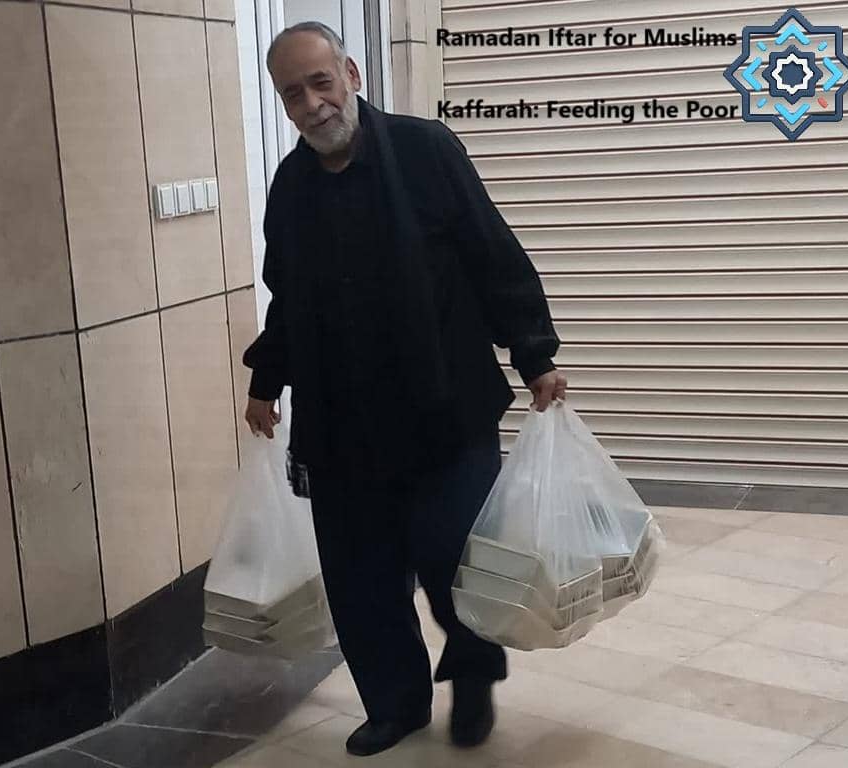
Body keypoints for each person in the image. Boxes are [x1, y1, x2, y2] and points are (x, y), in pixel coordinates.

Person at [243, 21, 567, 757]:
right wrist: (266, 381)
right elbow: (287, 296)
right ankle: (395, 704)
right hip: (340, 421)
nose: (311, 104)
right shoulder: (291, 186)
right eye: (292, 94)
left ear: (351, 75)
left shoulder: (426, 151)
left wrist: (534, 354)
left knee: (455, 559)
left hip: (442, 408)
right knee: (360, 580)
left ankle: (475, 671)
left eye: (320, 82)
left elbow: (492, 254)